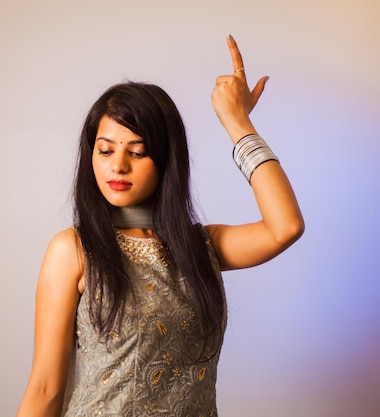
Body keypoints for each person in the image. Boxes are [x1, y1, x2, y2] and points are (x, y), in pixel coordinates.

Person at [16, 35, 304, 417]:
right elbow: (46, 387)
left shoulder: (202, 247)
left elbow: (285, 226)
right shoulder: (73, 250)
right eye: (105, 150)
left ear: (166, 161)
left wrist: (238, 123)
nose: (118, 165)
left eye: (136, 152)